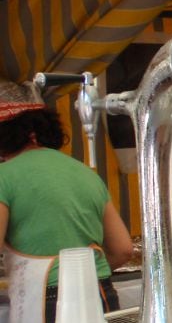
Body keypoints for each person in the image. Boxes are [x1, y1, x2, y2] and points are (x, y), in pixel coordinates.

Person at [0, 79, 135, 323]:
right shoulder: (85, 173)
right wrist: (82, 276)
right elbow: (123, 249)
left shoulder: (4, 176)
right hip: (101, 294)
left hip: (47, 302)